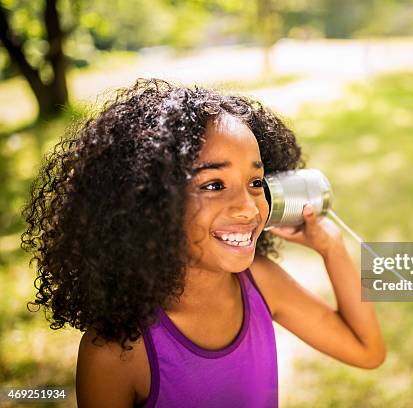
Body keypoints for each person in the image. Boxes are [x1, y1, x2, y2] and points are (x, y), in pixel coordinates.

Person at [21, 79, 386, 407]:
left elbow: (368, 351)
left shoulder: (261, 284)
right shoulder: (116, 352)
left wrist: (331, 247)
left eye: (256, 183)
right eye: (213, 185)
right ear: (150, 203)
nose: (247, 208)